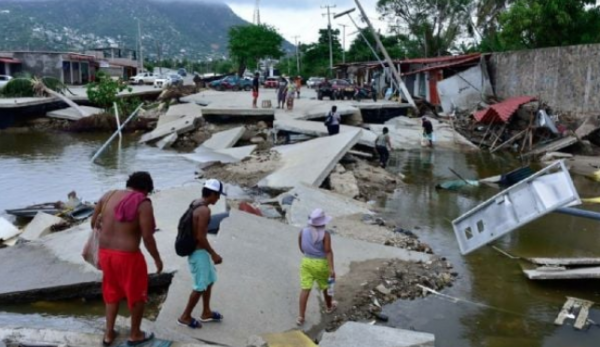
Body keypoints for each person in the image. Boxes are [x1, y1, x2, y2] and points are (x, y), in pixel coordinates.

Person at [93, 172, 162, 347]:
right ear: (146, 189)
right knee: (137, 295)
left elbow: (93, 223)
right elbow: (147, 237)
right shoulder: (143, 202)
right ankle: (135, 334)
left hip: (105, 254)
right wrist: (157, 259)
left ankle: (109, 334)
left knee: (112, 293)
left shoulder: (107, 196)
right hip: (128, 257)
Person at [178, 179, 225, 329]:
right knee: (199, 286)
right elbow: (200, 237)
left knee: (209, 280)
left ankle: (206, 312)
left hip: (199, 251)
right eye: (217, 195)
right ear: (211, 193)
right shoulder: (205, 210)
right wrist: (214, 254)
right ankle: (185, 316)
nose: (218, 198)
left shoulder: (196, 202)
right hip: (198, 253)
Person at [297, 208, 336, 326]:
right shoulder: (326, 234)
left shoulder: (303, 231)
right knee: (326, 287)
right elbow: (328, 251)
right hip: (320, 264)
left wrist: (308, 255)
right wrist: (331, 268)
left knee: (305, 289)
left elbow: (301, 247)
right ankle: (329, 307)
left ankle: (301, 316)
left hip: (306, 262)